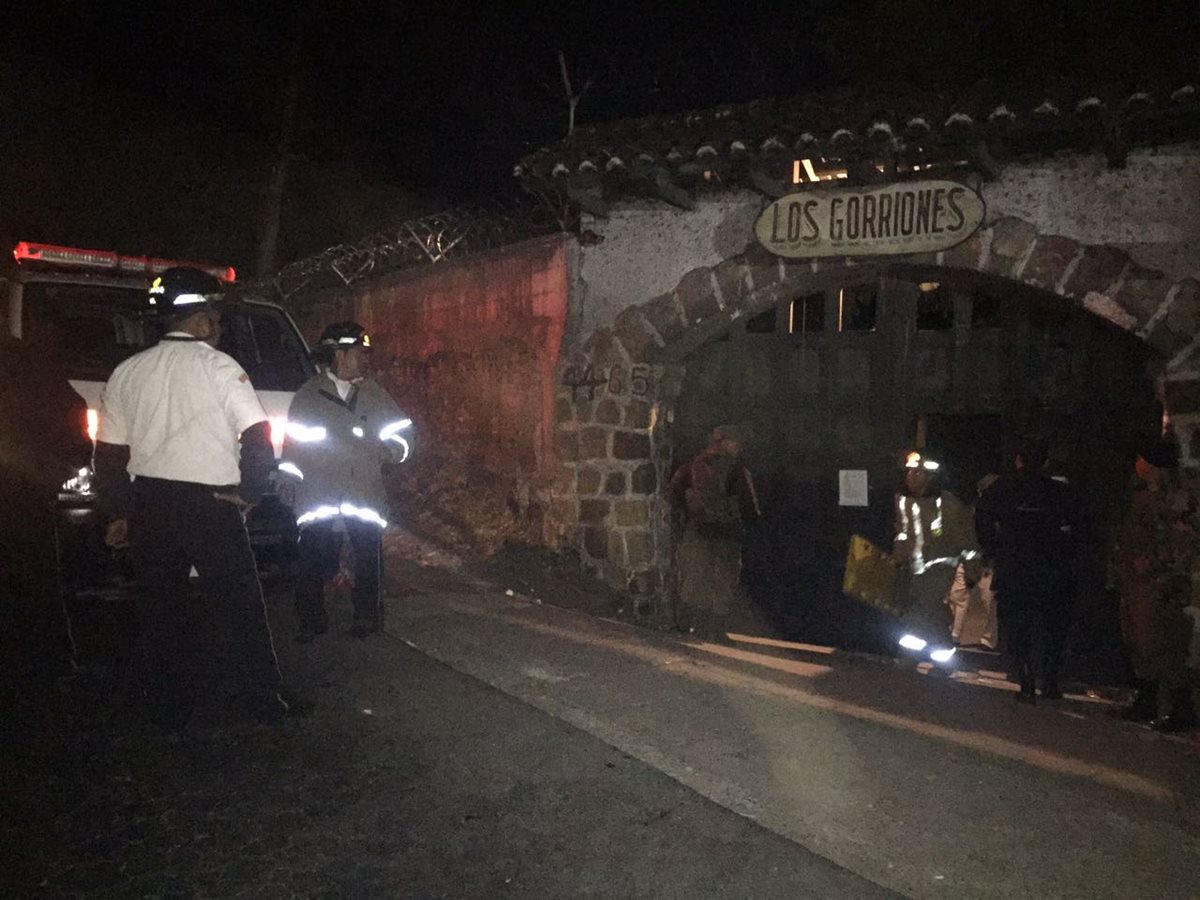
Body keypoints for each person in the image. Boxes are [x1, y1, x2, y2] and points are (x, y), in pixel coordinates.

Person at [93, 267, 303, 727]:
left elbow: (107, 457)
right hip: (212, 505)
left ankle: (166, 704)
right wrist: (249, 492)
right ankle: (260, 700)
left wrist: (119, 512)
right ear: (203, 321)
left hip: (150, 503)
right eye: (216, 316)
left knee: (160, 605)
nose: (219, 326)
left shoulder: (126, 373)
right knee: (239, 605)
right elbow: (256, 435)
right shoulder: (221, 368)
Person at [278, 322, 412, 641]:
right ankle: (310, 620)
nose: (365, 360)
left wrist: (394, 450)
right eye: (358, 353)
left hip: (363, 495)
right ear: (339, 355)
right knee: (313, 558)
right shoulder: (308, 397)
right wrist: (288, 482)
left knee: (368, 556)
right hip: (318, 496)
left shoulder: (375, 395)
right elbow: (293, 447)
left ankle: (367, 617)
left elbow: (403, 433)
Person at [976, 437, 1077, 702]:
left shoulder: (1001, 488)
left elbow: (983, 522)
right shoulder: (1060, 491)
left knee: (1017, 629)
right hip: (1052, 569)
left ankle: (1026, 681)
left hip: (1014, 568)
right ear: (1045, 461)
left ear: (1018, 459)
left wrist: (993, 550)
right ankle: (1051, 683)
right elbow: (1079, 527)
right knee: (1052, 630)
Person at [1111, 443, 1199, 732]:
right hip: (1137, 584)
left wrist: (1155, 562)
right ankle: (1146, 698)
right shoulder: (1141, 497)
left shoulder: (1175, 499)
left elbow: (1183, 540)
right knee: (1140, 641)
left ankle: (1180, 708)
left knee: (1166, 642)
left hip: (1161, 583)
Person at [667, 425, 761, 640]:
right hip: (726, 534)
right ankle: (715, 631)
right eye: (735, 441)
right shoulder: (737, 471)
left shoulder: (690, 467)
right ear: (724, 442)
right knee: (723, 583)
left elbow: (673, 496)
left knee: (693, 579)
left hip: (697, 531)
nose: (739, 446)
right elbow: (749, 507)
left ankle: (685, 624)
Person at [891, 449, 981, 669]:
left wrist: (972, 571)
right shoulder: (903, 501)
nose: (912, 476)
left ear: (931, 477)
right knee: (930, 612)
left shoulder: (948, 504)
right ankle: (944, 658)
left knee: (920, 609)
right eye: (910, 471)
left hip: (940, 567)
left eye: (918, 472)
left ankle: (910, 657)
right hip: (914, 567)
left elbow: (967, 541)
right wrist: (898, 558)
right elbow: (903, 532)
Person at [947, 473, 1001, 650]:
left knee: (988, 600)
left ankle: (988, 639)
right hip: (973, 558)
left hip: (987, 560)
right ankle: (955, 634)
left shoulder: (995, 511)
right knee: (958, 595)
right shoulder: (975, 509)